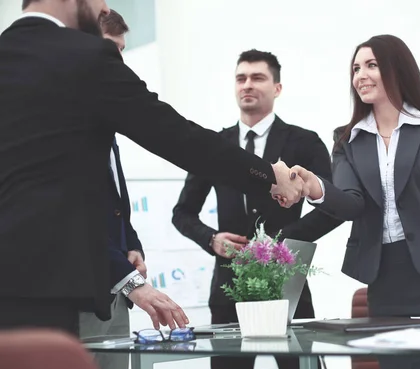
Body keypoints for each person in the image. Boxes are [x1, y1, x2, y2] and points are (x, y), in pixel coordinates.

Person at [0, 0, 304, 337]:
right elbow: (175, 136)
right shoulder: (85, 56)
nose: (104, 8)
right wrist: (268, 175)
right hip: (58, 291)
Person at [290, 34, 420, 369]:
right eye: (356, 68)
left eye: (371, 65)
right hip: (387, 283)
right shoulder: (348, 140)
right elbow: (352, 204)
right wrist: (316, 188)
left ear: (396, 69)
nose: (360, 75)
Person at [172, 49, 342, 369]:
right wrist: (212, 239)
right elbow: (182, 213)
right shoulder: (214, 145)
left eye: (258, 77)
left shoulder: (303, 141)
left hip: (288, 283)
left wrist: (281, 245)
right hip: (228, 286)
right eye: (241, 78)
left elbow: (334, 207)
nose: (247, 85)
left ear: (277, 88)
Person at [76, 9, 145, 369]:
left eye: (122, 51)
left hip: (115, 294)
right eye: (110, 49)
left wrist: (131, 244)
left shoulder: (105, 123)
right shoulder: (58, 123)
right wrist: (131, 280)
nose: (117, 61)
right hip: (74, 295)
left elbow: (114, 202)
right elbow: (71, 216)